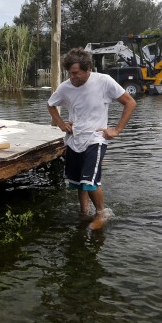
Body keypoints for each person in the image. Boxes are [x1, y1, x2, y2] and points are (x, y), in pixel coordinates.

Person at [47, 47, 136, 229]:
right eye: (70, 73)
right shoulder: (65, 87)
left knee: (90, 181)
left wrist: (117, 130)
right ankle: (84, 212)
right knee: (79, 181)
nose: (72, 77)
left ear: (88, 69)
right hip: (74, 140)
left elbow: (130, 102)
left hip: (96, 138)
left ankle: (102, 213)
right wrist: (62, 124)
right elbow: (50, 105)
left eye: (76, 73)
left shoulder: (103, 81)